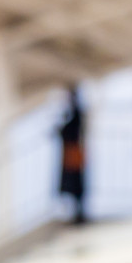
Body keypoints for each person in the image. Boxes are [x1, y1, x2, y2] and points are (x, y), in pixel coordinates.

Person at [57, 84, 87, 225]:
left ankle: (79, 213)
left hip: (74, 151)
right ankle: (76, 212)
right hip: (71, 151)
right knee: (73, 182)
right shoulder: (73, 112)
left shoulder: (77, 112)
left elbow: (73, 130)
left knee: (75, 182)